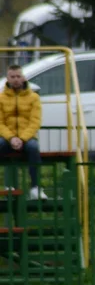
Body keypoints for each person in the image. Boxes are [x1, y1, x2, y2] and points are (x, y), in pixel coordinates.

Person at [0, 64, 47, 199]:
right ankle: (8, 185)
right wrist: (11, 138)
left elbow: (35, 122)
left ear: (24, 78)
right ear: (7, 79)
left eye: (18, 76)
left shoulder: (34, 97)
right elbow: (0, 123)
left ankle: (35, 187)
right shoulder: (1, 98)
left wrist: (22, 138)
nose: (16, 79)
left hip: (27, 137)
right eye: (12, 76)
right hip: (7, 137)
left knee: (33, 147)